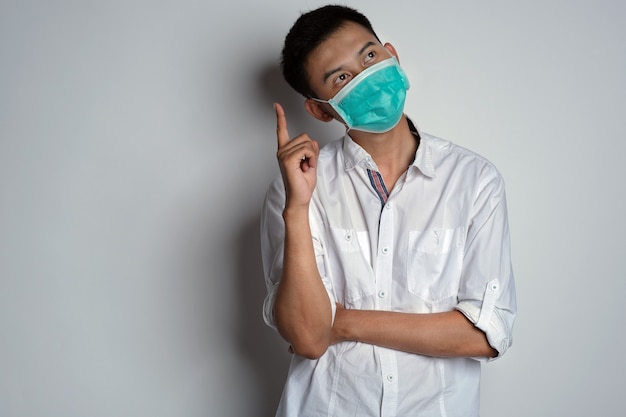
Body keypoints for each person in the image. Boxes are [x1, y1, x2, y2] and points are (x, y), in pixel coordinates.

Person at [260, 4, 517, 417]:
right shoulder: (295, 191)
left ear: (391, 55)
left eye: (369, 57)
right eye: (342, 78)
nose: (365, 76)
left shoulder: (474, 181)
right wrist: (298, 208)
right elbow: (308, 337)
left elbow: (485, 335)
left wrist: (340, 323)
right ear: (322, 109)